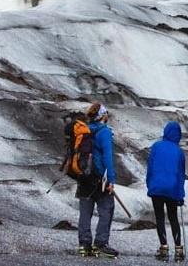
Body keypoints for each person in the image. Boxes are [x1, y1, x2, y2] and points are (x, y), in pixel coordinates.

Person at [77, 102, 120, 258]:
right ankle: (100, 244)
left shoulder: (85, 130)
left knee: (85, 212)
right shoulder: (104, 132)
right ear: (102, 115)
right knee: (107, 209)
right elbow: (107, 157)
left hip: (83, 176)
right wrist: (111, 179)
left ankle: (84, 244)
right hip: (99, 178)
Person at [147, 121, 187, 261]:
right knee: (173, 217)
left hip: (157, 187)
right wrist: (181, 194)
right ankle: (178, 249)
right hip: (172, 188)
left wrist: (149, 184)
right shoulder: (179, 152)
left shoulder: (156, 146)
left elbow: (150, 168)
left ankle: (163, 248)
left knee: (159, 218)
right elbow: (181, 174)